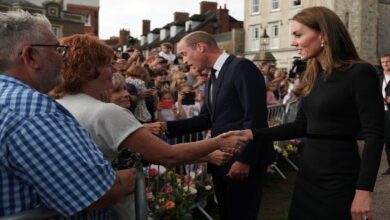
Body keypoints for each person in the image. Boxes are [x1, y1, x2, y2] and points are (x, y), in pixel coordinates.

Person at [49, 34, 249, 220]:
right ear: (88, 69)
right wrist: (218, 142)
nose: (114, 69)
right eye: (108, 64)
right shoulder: (106, 112)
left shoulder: (57, 104)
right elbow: (168, 155)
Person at [228, 6, 384, 220]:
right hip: (308, 175)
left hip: (339, 177)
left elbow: (375, 135)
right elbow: (300, 126)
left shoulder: (360, 73)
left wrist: (364, 191)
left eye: (298, 35)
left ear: (323, 35)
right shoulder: (313, 76)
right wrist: (251, 134)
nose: (293, 42)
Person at [0, 10, 137, 218]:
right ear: (31, 56)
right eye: (58, 50)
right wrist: (124, 182)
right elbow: (96, 194)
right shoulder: (31, 112)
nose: (64, 58)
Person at [164, 31, 273, 220]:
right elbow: (206, 119)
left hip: (242, 162)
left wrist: (245, 160)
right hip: (221, 161)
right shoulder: (213, 76)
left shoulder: (241, 68)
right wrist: (164, 127)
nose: (184, 61)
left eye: (184, 53)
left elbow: (255, 117)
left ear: (200, 47)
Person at [380, 53, 390, 175]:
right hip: (383, 112)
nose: (385, 64)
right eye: (383, 62)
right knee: (388, 140)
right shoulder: (378, 77)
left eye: (387, 61)